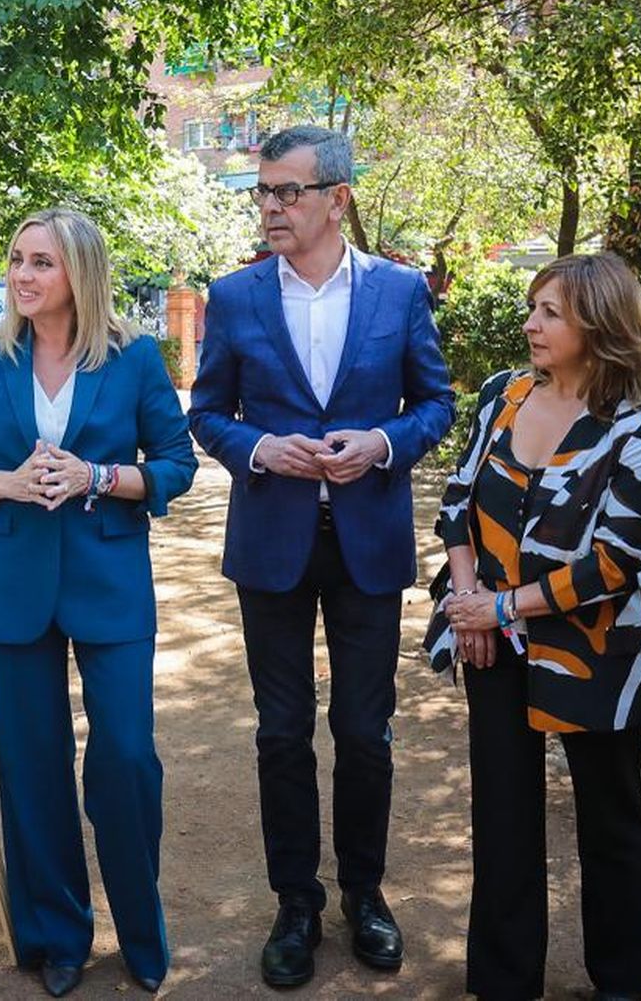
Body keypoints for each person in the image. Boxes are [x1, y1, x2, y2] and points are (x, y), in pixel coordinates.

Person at [188, 124, 456, 987]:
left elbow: (436, 405)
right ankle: (295, 903)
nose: (269, 207)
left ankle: (366, 896)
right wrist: (262, 451)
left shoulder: (401, 290)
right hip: (272, 541)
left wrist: (380, 442)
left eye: (286, 192)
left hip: (368, 542)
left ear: (336, 198)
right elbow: (209, 414)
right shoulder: (233, 297)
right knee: (281, 731)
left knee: (365, 733)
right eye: (262, 192)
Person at [0, 208, 197, 997]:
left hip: (110, 584)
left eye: (40, 261)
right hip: (14, 584)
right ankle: (57, 936)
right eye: (16, 259)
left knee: (125, 757)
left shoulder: (134, 358)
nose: (22, 275)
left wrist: (101, 477)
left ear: (79, 271)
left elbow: (177, 462)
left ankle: (141, 930)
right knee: (31, 763)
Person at [428, 252, 641, 1001]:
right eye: (533, 308)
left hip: (595, 648)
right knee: (501, 814)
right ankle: (505, 980)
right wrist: (470, 604)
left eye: (550, 313)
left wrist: (502, 608)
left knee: (611, 817)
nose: (530, 324)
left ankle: (624, 978)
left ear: (599, 324)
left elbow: (616, 562)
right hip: (492, 639)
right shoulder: (504, 395)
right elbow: (456, 502)